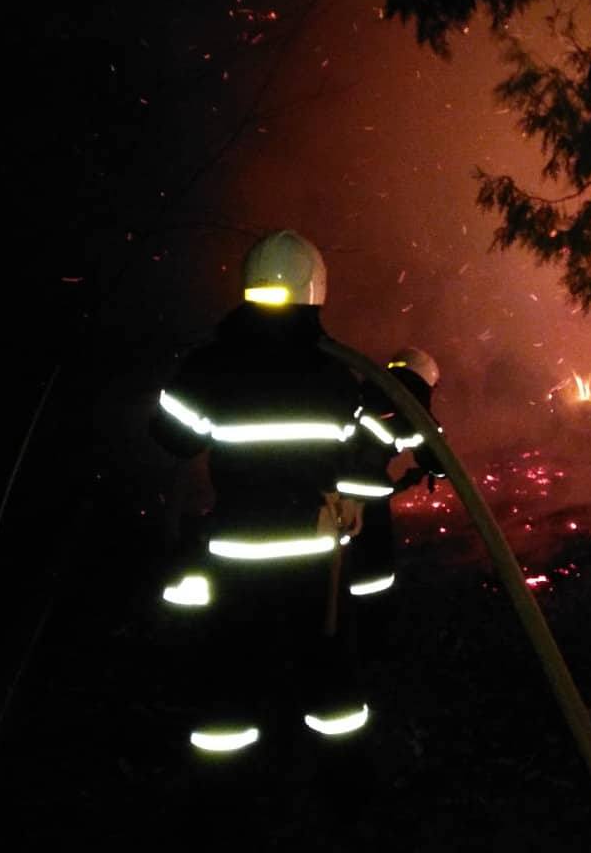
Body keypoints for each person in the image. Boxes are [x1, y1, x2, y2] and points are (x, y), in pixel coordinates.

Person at [148, 229, 381, 816]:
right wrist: (351, 513)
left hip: (240, 558)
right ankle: (344, 790)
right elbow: (360, 456)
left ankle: (223, 800)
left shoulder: (210, 366)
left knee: (231, 673)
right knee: (330, 675)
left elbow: (170, 438)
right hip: (315, 560)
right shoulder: (337, 375)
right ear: (316, 291)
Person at [345, 346, 444, 658]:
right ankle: (370, 637)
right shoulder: (411, 407)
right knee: (373, 570)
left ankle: (336, 625)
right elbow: (438, 459)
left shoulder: (365, 391)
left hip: (322, 491)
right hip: (363, 500)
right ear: (426, 382)